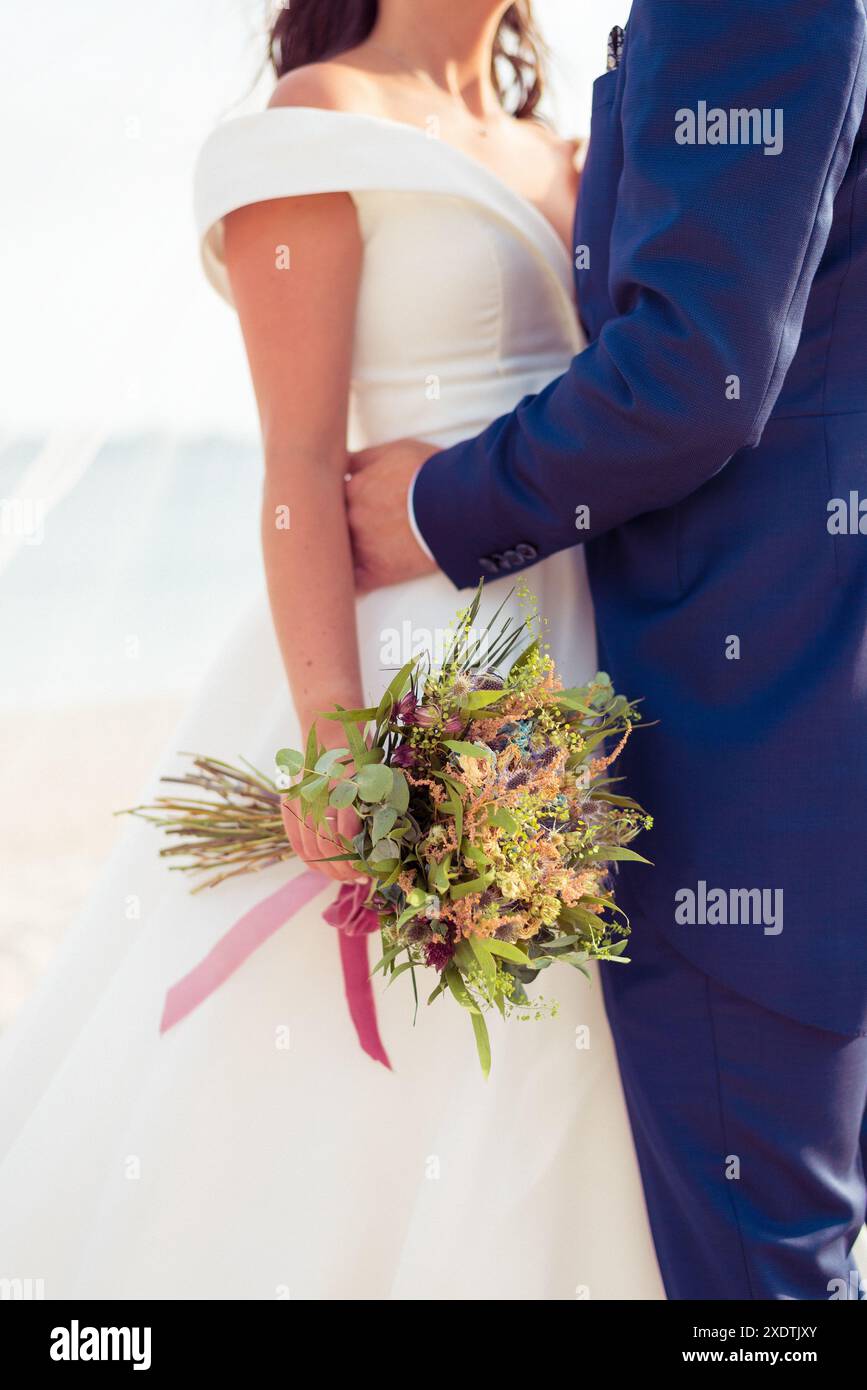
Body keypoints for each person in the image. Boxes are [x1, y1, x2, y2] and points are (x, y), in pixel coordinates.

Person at [0, 1, 663, 1299]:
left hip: (593, 664)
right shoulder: (318, 123)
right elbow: (300, 461)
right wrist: (340, 752)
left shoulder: (570, 145)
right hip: (418, 670)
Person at [347, 0, 867, 1299]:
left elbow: (699, 373)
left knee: (767, 1284)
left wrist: (436, 506)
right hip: (812, 700)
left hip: (760, 732)